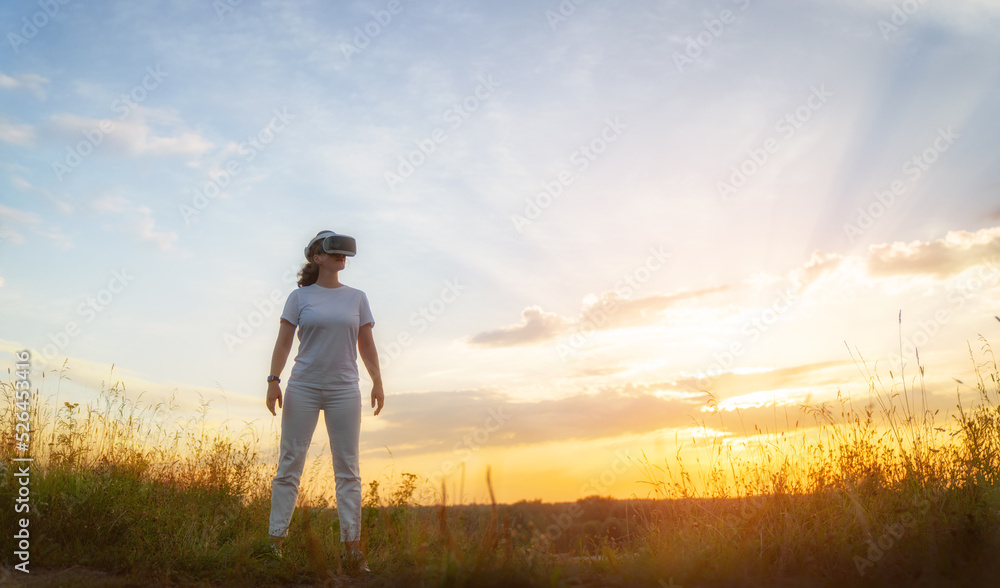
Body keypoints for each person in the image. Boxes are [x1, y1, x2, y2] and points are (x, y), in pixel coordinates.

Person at [265, 230, 384, 572]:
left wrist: (377, 380)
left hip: (344, 389)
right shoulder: (299, 297)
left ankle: (352, 550)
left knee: (348, 470)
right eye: (332, 250)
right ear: (316, 257)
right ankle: (274, 545)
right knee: (289, 465)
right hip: (303, 386)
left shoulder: (357, 298)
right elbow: (284, 343)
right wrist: (274, 381)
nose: (340, 255)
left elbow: (367, 345)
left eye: (343, 252)